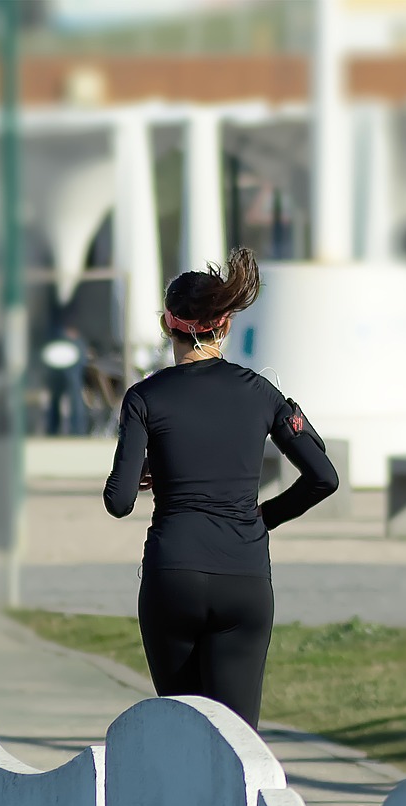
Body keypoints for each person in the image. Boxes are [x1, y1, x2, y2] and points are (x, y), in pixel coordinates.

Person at [102, 247, 338, 730]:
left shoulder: (144, 397)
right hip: (244, 577)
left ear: (167, 324)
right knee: (237, 740)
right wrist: (262, 517)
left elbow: (119, 501)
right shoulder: (262, 392)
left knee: (184, 734)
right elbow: (323, 478)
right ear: (224, 325)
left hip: (173, 575)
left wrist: (146, 465)